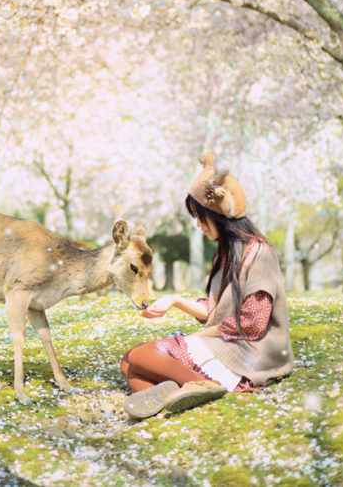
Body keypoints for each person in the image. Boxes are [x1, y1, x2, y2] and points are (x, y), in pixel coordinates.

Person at [121, 151, 293, 418]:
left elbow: (252, 323)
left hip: (249, 354)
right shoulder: (228, 252)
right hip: (227, 341)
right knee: (128, 361)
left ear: (220, 214)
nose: (199, 226)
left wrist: (197, 337)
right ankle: (168, 400)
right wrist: (175, 301)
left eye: (202, 217)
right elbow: (217, 311)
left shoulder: (259, 253)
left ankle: (203, 385)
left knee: (141, 355)